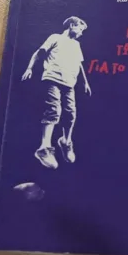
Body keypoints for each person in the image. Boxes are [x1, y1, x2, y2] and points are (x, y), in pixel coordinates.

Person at [21, 16, 92, 169]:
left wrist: (85, 82)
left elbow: (79, 64)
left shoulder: (76, 45)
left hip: (69, 83)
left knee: (71, 113)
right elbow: (38, 52)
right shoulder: (55, 38)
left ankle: (66, 141)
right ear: (72, 25)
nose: (81, 33)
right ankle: (44, 148)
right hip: (52, 78)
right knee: (54, 110)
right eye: (80, 29)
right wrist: (29, 68)